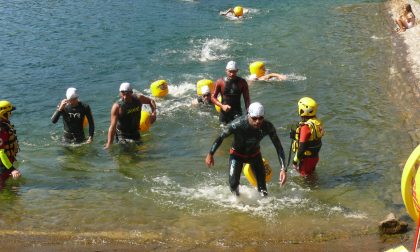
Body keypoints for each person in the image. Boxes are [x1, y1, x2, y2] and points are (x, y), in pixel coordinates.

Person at [205, 102, 287, 196]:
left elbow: (278, 147)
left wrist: (283, 169)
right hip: (237, 156)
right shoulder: (237, 124)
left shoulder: (267, 126)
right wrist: (210, 154)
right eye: (254, 118)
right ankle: (239, 205)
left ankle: (263, 208)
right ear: (249, 115)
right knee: (233, 185)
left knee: (263, 190)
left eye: (260, 118)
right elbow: (221, 137)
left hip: (255, 156)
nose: (258, 121)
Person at [104, 82, 157, 149]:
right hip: (122, 135)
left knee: (141, 154)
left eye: (127, 94)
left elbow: (151, 101)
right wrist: (109, 143)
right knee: (128, 156)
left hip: (135, 132)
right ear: (120, 93)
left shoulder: (138, 99)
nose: (125, 97)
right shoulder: (117, 107)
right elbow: (112, 126)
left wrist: (154, 113)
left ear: (131, 92)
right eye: (123, 94)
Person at [289, 97, 324, 176]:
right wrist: (296, 135)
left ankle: (315, 188)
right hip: (314, 157)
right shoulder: (317, 122)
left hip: (307, 159)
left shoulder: (306, 127)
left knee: (305, 179)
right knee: (311, 176)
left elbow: (302, 147)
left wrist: (295, 161)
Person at [0, 100, 21, 189]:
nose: (11, 114)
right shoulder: (2, 130)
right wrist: (12, 169)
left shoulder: (5, 126)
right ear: (3, 114)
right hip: (2, 164)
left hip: (6, 163)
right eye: (9, 112)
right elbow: (1, 153)